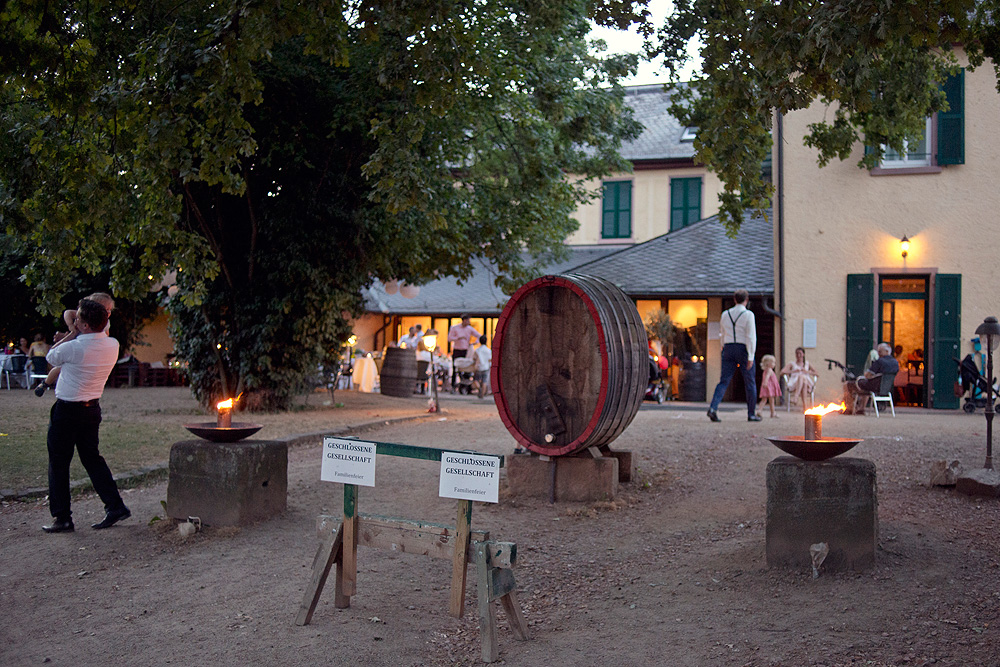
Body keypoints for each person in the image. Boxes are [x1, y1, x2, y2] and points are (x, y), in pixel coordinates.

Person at [41, 298, 131, 533]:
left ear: (85, 325)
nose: (76, 321)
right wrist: (77, 328)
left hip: (68, 409)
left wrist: (70, 333)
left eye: (79, 320)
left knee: (59, 463)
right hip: (92, 408)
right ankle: (115, 505)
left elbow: (51, 357)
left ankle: (62, 517)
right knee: (92, 458)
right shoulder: (112, 344)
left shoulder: (74, 346)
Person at [36, 292, 115, 397]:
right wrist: (70, 328)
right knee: (59, 368)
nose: (108, 312)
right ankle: (46, 383)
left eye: (110, 310)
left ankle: (45, 384)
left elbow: (105, 336)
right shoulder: (83, 315)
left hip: (87, 349)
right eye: (106, 309)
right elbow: (67, 313)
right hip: (80, 345)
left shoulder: (106, 324)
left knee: (62, 367)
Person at [707, 289, 760, 422]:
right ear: (746, 300)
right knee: (750, 382)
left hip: (728, 347)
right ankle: (751, 413)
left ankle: (713, 407)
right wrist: (751, 356)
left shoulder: (725, 314)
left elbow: (722, 333)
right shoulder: (748, 315)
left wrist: (723, 347)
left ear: (735, 299)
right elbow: (751, 336)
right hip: (743, 348)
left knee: (724, 380)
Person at [845, 342, 900, 412]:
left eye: (880, 351)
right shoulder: (895, 362)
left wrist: (865, 375)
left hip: (873, 387)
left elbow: (868, 375)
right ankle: (861, 408)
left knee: (848, 384)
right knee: (867, 384)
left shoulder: (880, 361)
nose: (878, 353)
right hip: (886, 388)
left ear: (887, 351)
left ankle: (850, 408)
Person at [448, 315, 481, 388]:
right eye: (468, 320)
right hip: (457, 350)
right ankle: (453, 386)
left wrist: (474, 343)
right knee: (455, 368)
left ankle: (464, 385)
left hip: (465, 350)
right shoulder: (455, 328)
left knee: (465, 368)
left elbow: (479, 335)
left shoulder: (469, 329)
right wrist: (458, 338)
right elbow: (449, 338)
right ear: (464, 320)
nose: (469, 322)